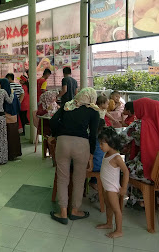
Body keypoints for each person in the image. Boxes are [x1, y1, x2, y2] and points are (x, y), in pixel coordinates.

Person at [49, 87, 100, 224]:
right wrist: (91, 155)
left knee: (62, 178)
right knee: (79, 179)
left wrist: (57, 134)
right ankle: (75, 210)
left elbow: (53, 121)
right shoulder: (94, 111)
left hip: (63, 143)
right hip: (82, 145)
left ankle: (63, 212)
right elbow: (93, 135)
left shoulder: (68, 106)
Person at [121, 98, 159, 210]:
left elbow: (120, 140)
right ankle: (141, 201)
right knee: (134, 163)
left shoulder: (139, 125)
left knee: (122, 168)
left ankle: (131, 200)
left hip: (149, 171)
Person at [96, 127, 129, 239]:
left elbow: (126, 172)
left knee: (116, 209)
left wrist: (124, 187)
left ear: (111, 143)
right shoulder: (106, 154)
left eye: (102, 144)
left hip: (112, 188)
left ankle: (119, 230)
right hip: (106, 187)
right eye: (99, 143)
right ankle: (109, 223)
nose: (100, 146)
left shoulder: (116, 157)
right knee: (108, 206)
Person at [0, 78, 22, 161]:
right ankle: (15, 153)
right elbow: (18, 105)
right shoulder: (13, 93)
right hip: (14, 117)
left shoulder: (3, 94)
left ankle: (9, 154)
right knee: (14, 136)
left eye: (0, 84)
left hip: (6, 117)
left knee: (8, 137)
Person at [36, 90, 59, 165]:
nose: (55, 98)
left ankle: (54, 153)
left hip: (53, 124)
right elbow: (38, 113)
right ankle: (50, 152)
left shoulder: (54, 104)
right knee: (49, 135)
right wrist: (47, 110)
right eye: (53, 97)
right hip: (45, 125)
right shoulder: (42, 104)